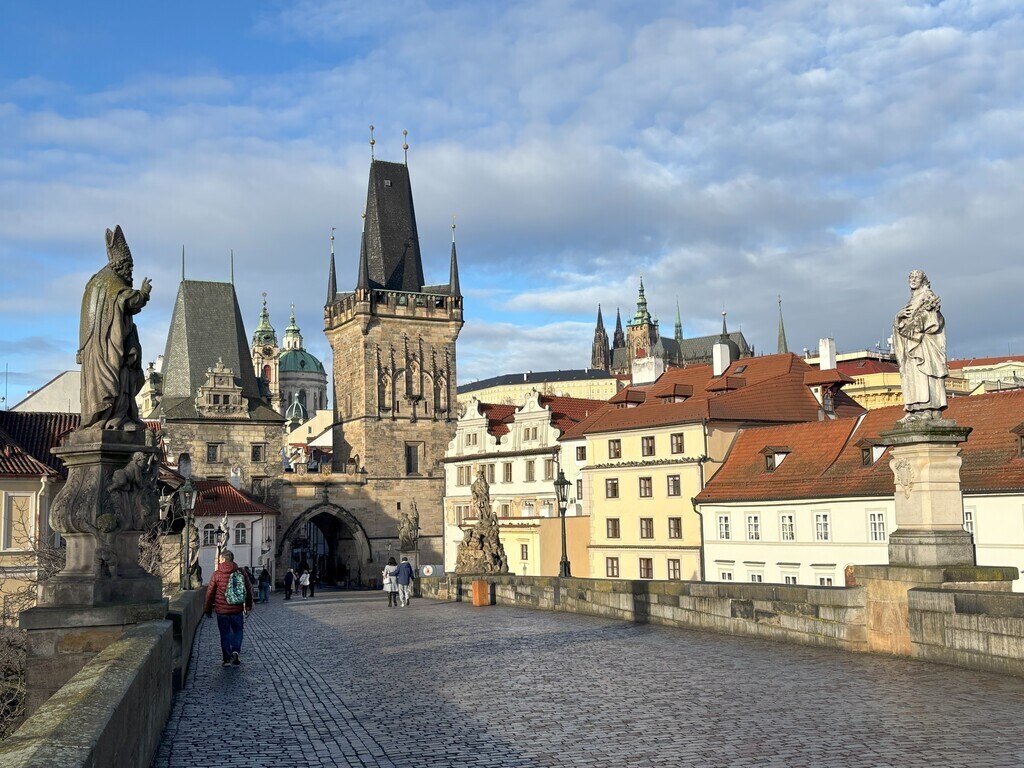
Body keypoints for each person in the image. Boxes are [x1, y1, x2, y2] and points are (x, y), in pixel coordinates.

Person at [77, 225, 152, 432]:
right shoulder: (113, 281)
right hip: (107, 346)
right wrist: (143, 294)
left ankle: (101, 417)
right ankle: (114, 416)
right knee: (116, 382)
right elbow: (127, 300)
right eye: (129, 267)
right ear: (121, 264)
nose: (130, 272)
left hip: (94, 347)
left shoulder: (94, 283)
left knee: (107, 383)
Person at [893, 269, 948, 423]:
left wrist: (916, 324)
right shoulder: (911, 300)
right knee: (913, 376)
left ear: (924, 280)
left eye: (917, 277)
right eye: (910, 276)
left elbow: (934, 321)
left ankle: (929, 408)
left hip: (925, 345)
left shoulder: (928, 296)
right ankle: (914, 409)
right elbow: (902, 324)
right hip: (910, 345)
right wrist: (898, 318)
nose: (913, 279)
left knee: (926, 373)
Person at [203, 549, 254, 666]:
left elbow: (210, 593)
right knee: (238, 631)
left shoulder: (217, 574)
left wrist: (207, 609)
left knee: (225, 633)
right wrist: (249, 605)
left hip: (222, 611)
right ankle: (235, 650)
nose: (219, 561)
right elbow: (248, 590)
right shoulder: (240, 572)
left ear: (223, 559)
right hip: (237, 609)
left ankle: (226, 659)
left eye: (219, 559)